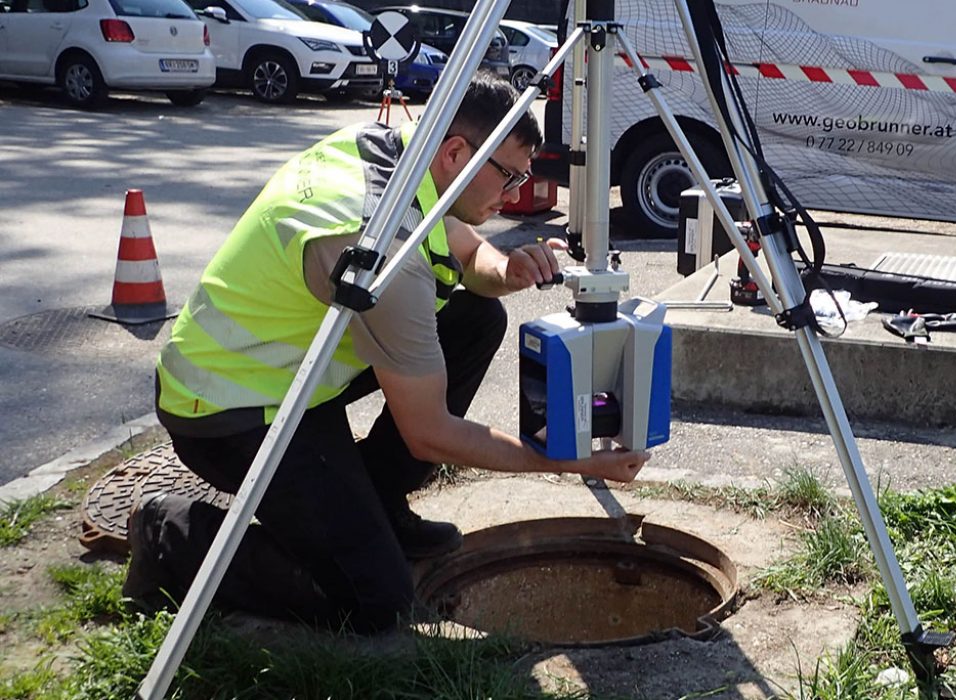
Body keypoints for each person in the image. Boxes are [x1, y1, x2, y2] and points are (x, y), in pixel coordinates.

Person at [123, 72, 650, 633]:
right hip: (229, 409)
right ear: (456, 153)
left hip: (289, 370)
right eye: (511, 175)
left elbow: (470, 256)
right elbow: (429, 433)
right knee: (376, 599)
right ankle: (171, 535)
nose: (516, 194)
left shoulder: (395, 152)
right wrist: (572, 463)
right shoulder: (383, 251)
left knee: (475, 315)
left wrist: (508, 267)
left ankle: (377, 501)